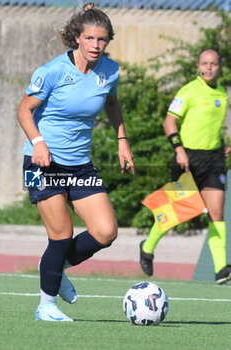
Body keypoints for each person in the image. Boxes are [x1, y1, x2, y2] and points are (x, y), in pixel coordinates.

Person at [18, 2, 134, 322]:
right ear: (78, 38)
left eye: (102, 40)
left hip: (80, 165)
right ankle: (46, 306)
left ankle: (57, 268)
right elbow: (23, 111)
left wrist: (122, 141)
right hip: (41, 163)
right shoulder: (52, 71)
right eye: (90, 39)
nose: (96, 45)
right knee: (61, 235)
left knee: (106, 230)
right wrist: (38, 143)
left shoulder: (110, 70)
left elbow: (112, 103)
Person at [140, 48, 231, 284]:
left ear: (220, 66)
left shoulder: (221, 92)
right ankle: (147, 247)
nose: (209, 67)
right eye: (204, 63)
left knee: (217, 213)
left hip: (213, 160)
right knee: (176, 214)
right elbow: (169, 121)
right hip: (187, 159)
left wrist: (221, 146)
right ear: (198, 66)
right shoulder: (188, 91)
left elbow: (208, 127)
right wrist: (179, 150)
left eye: (213, 63)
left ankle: (221, 268)